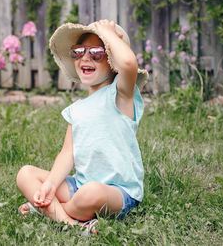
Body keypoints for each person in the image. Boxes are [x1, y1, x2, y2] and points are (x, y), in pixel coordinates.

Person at [16, 20, 149, 235]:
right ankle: (72, 224)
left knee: (91, 192)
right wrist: (50, 184)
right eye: (79, 52)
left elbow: (128, 64)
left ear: (112, 60)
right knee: (26, 174)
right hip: (79, 185)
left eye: (97, 52)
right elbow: (68, 153)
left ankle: (49, 212)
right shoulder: (76, 110)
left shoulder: (121, 94)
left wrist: (107, 32)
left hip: (117, 193)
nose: (86, 57)